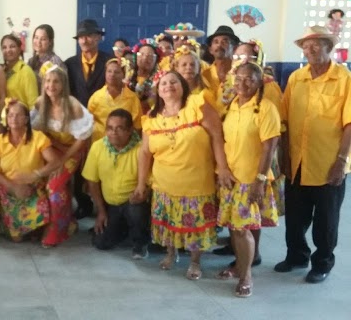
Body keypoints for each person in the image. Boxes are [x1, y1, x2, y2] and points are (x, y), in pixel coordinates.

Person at [137, 71, 232, 280]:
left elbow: (217, 135)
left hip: (197, 182)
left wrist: (223, 168)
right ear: (157, 90)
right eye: (163, 83)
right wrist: (141, 184)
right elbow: (144, 152)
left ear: (182, 86)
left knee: (195, 226)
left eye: (174, 82)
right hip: (164, 183)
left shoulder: (198, 106)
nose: (168, 86)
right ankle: (172, 253)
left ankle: (195, 262)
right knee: (169, 221)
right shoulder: (151, 118)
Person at [274, 26, 351, 284]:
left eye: (317, 44)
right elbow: (283, 120)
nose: (311, 49)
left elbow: (349, 124)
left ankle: (322, 263)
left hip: (328, 162)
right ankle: (296, 256)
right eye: (307, 46)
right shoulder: (297, 78)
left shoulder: (344, 79)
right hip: (297, 162)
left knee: (325, 221)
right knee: (295, 218)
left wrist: (341, 161)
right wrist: (284, 155)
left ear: (329, 48)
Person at [215, 62, 281, 297]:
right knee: (235, 228)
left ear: (259, 82)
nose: (242, 84)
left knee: (243, 230)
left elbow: (269, 147)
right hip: (230, 179)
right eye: (239, 78)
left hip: (251, 179)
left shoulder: (265, 107)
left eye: (249, 79)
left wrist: (260, 180)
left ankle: (246, 277)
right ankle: (240, 265)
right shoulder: (231, 106)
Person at [32, 64, 93, 247]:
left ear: (63, 84)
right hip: (52, 148)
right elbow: (35, 129)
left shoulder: (73, 106)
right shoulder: (39, 103)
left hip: (71, 151)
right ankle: (66, 222)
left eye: (56, 81)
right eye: (48, 81)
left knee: (54, 186)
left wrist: (62, 160)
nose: (51, 85)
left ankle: (58, 229)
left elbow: (82, 139)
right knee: (42, 182)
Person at [0, 100, 60, 243]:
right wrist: (13, 187)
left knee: (39, 218)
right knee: (17, 238)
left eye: (18, 115)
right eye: (10, 115)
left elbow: (55, 162)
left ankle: (38, 228)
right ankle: (21, 228)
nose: (13, 119)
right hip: (9, 188)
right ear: (7, 120)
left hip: (33, 187)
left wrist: (34, 175)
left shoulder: (38, 137)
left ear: (26, 119)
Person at [82, 109, 150, 259]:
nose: (113, 132)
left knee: (135, 211)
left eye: (119, 128)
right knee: (100, 243)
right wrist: (100, 211)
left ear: (130, 130)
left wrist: (143, 195)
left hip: (134, 203)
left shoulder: (141, 150)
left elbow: (150, 184)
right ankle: (124, 231)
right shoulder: (98, 147)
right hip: (111, 205)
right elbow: (92, 181)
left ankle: (141, 243)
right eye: (110, 128)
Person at [88, 58, 143, 142]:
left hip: (124, 145)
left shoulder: (132, 98)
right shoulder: (96, 97)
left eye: (117, 72)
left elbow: (137, 126)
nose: (112, 74)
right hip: (98, 144)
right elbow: (87, 125)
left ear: (124, 74)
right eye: (109, 71)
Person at [65, 19, 112, 106]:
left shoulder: (109, 62)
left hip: (102, 115)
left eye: (88, 36)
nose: (84, 41)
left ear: (98, 37)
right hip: (78, 116)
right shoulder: (69, 64)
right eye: (81, 37)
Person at [1, 34, 38, 109]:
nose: (8, 50)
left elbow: (33, 103)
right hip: (7, 117)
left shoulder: (26, 71)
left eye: (12, 46)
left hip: (22, 118)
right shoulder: (2, 72)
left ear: (19, 49)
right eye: (4, 47)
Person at [202, 25, 240, 95]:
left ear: (235, 49)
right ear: (210, 50)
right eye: (216, 42)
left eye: (224, 42)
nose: (219, 45)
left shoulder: (240, 74)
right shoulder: (204, 75)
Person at [28, 25, 66, 90]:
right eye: (36, 37)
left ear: (50, 42)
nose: (38, 42)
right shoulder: (31, 61)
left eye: (43, 39)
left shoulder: (55, 61)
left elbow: (62, 87)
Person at [131, 39, 161, 114]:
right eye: (141, 54)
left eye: (150, 56)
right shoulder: (127, 75)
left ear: (156, 60)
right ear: (136, 57)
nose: (145, 58)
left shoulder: (160, 79)